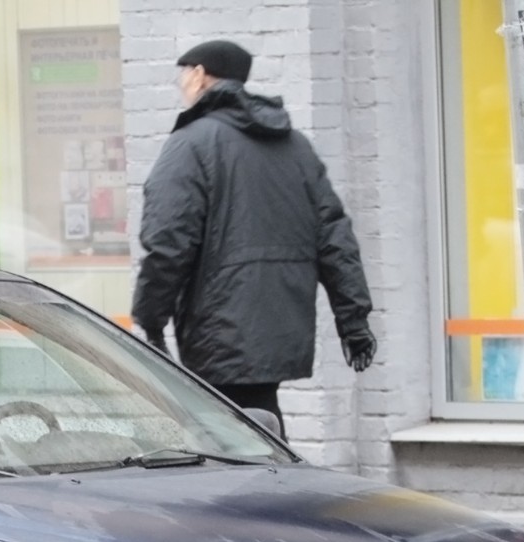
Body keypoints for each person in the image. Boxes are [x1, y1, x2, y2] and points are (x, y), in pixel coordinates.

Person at [131, 39, 374, 431]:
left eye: (183, 76)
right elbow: (334, 237)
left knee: (225, 442)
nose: (180, 85)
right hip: (280, 326)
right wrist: (354, 320)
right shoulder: (295, 148)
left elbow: (167, 241)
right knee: (262, 427)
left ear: (198, 75)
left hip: (217, 332)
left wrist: (150, 318)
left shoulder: (191, 144)